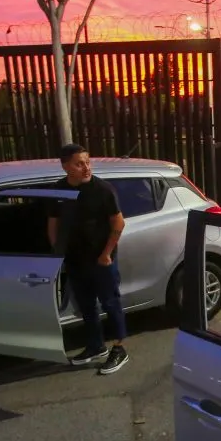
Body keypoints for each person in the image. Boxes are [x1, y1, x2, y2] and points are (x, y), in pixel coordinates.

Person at [47, 144, 129, 375]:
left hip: (101, 260)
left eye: (87, 162)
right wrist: (58, 251)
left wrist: (106, 254)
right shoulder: (60, 190)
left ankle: (119, 349)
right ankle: (95, 346)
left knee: (110, 302)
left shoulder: (102, 190)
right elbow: (53, 223)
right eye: (79, 163)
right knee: (86, 306)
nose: (86, 168)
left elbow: (119, 223)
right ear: (65, 167)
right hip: (75, 261)